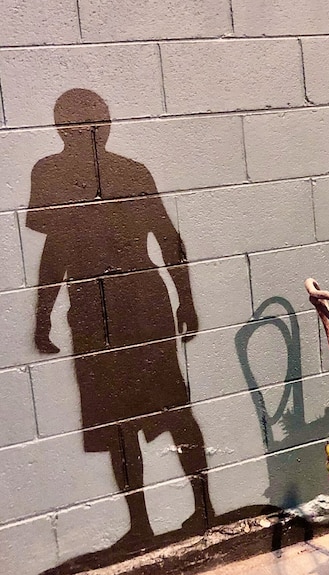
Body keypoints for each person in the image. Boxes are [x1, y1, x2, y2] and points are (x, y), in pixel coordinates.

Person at [30, 89, 212, 547]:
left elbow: (167, 239)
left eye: (98, 122)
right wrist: (43, 313)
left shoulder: (120, 172)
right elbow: (57, 250)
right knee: (122, 419)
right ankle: (149, 522)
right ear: (63, 130)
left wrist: (186, 300)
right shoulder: (53, 174)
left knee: (164, 408)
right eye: (85, 124)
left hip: (134, 307)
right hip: (99, 310)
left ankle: (197, 509)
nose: (93, 132)